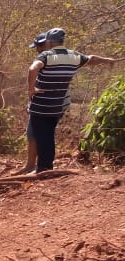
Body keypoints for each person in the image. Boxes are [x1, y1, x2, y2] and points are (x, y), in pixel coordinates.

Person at [25, 27, 119, 173]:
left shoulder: (47, 55)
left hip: (41, 105)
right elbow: (92, 59)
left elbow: (32, 69)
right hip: (57, 105)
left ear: (49, 41)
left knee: (42, 136)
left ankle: (43, 169)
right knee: (48, 135)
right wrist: (107, 60)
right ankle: (46, 167)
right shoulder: (74, 56)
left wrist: (31, 90)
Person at [18, 31, 47, 174]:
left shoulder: (45, 60)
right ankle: (31, 165)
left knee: (36, 133)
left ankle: (36, 167)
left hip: (43, 105)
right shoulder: (46, 59)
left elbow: (34, 77)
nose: (37, 49)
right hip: (39, 103)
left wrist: (31, 92)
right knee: (33, 134)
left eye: (39, 46)